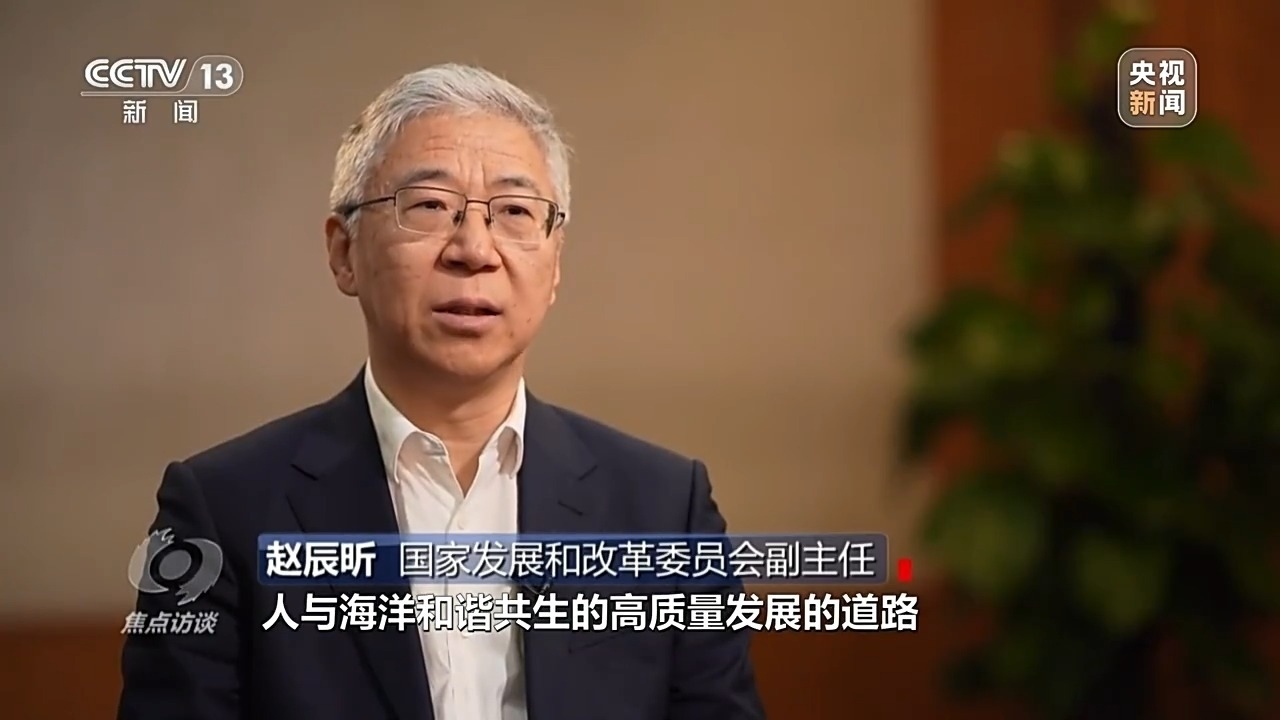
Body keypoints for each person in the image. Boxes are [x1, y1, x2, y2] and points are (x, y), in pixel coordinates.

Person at [117, 63, 765, 720]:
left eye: (515, 212)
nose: (474, 249)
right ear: (343, 253)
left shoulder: (664, 509)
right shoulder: (222, 509)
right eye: (428, 206)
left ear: (555, 264)